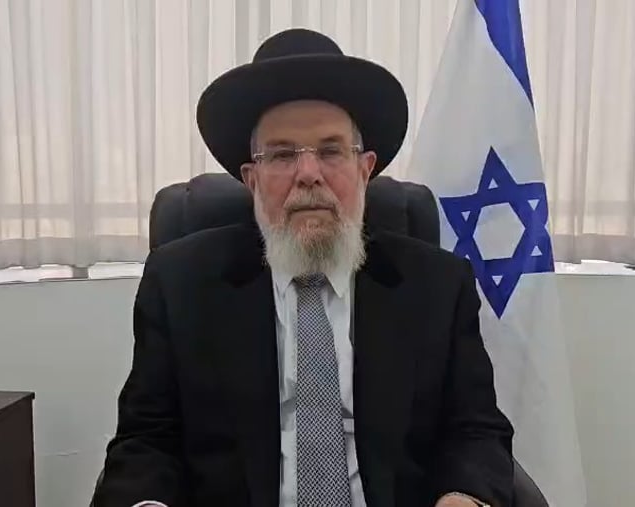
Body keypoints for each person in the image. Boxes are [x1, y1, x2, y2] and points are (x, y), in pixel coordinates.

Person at [92, 28, 514, 507]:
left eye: (331, 151)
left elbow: (474, 429)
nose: (308, 174)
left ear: (365, 170)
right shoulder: (180, 283)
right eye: (281, 154)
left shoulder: (437, 285)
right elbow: (147, 440)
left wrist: (463, 496)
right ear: (252, 179)